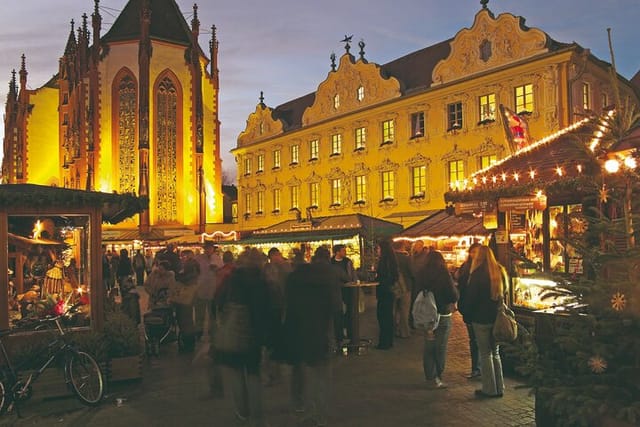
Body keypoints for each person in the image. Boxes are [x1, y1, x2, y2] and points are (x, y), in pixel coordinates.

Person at [282, 246, 341, 427]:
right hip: (321, 330)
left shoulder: (292, 280)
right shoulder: (325, 278)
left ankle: (301, 405)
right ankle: (319, 412)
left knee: (300, 370)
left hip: (298, 330)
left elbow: (287, 306)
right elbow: (336, 307)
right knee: (321, 373)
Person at [215, 248, 270, 426]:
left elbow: (217, 300)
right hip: (253, 334)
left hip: (233, 332)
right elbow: (266, 311)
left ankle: (242, 413)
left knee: (237, 374)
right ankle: (258, 417)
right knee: (254, 375)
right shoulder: (262, 282)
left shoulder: (232, 279)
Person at [465, 245, 506, 398]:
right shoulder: (499, 272)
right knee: (495, 353)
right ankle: (499, 387)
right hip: (496, 318)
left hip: (480, 319)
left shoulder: (477, 274)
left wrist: (467, 315)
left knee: (485, 354)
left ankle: (489, 389)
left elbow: (471, 298)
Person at [416, 250, 459, 388]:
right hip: (442, 314)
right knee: (440, 347)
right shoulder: (443, 274)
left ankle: (430, 376)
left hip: (427, 316)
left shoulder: (421, 274)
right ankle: (438, 376)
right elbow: (452, 295)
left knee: (428, 346)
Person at [262, 247, 292, 385]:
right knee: (273, 340)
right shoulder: (270, 269)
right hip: (274, 308)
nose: (280, 257)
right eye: (277, 255)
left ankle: (276, 371)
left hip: (279, 307)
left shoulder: (283, 267)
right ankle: (274, 372)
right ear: (273, 256)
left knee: (275, 340)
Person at [454, 242, 482, 379]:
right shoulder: (465, 267)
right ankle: (476, 368)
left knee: (480, 340)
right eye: (473, 252)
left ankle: (480, 367)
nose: (474, 254)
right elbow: (460, 285)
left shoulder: (484, 269)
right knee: (474, 340)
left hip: (479, 309)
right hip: (469, 309)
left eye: (477, 252)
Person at [194, 242, 223, 341]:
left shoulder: (217, 259)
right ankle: (199, 331)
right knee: (199, 314)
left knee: (212, 314)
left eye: (210, 248)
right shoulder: (198, 258)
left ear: (213, 249)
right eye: (206, 248)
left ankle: (212, 332)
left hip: (212, 290)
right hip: (200, 289)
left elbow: (219, 271)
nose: (208, 250)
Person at [172, 253, 200, 353]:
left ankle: (188, 344)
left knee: (185, 322)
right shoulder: (194, 274)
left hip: (185, 300)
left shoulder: (189, 276)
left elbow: (183, 280)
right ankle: (189, 343)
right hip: (187, 299)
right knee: (187, 322)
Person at [330, 244, 358, 345]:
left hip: (348, 290)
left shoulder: (347, 261)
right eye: (343, 250)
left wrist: (353, 282)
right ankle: (340, 335)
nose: (345, 252)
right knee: (338, 313)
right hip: (336, 291)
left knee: (349, 312)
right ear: (337, 252)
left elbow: (352, 274)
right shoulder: (331, 262)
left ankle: (350, 333)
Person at [374, 239, 398, 350]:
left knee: (383, 317)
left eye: (378, 248)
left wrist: (377, 279)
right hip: (388, 292)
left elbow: (386, 277)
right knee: (387, 316)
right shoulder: (391, 261)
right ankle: (388, 341)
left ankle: (384, 342)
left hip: (385, 292)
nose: (377, 251)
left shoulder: (385, 262)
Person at [392, 240, 413, 338]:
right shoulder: (406, 258)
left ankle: (393, 329)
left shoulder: (391, 257)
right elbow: (412, 272)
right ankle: (404, 332)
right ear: (402, 246)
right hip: (406, 286)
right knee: (404, 309)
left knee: (394, 309)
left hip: (393, 287)